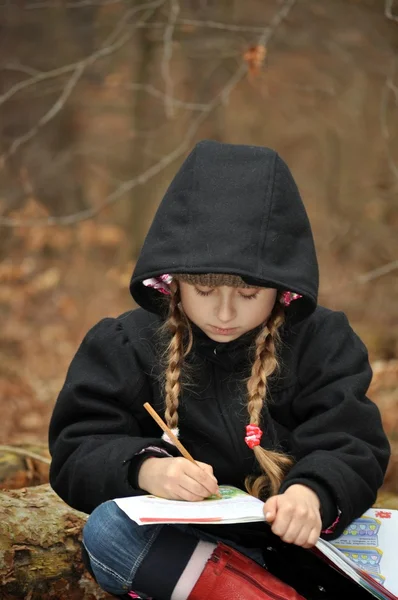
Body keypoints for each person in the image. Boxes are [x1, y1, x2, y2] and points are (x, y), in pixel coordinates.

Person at [48, 140, 391, 600]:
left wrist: (312, 496)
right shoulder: (124, 343)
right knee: (110, 532)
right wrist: (148, 471)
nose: (225, 313)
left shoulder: (323, 341)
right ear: (173, 280)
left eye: (249, 295)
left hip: (302, 551)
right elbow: (77, 448)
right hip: (188, 551)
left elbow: (352, 442)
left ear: (281, 287)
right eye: (205, 290)